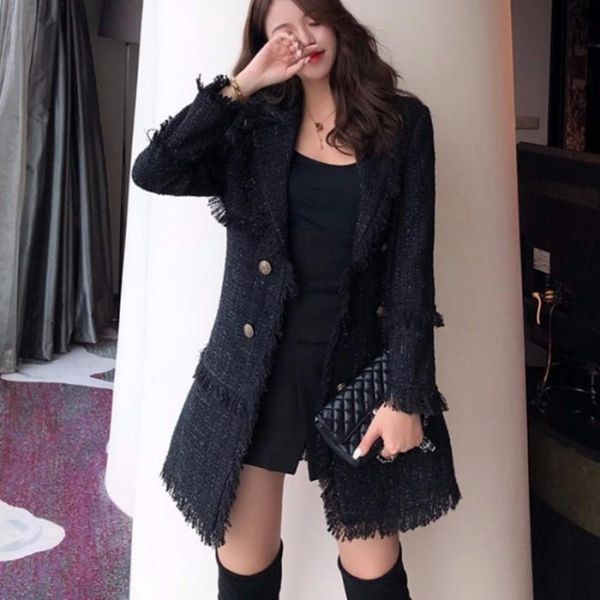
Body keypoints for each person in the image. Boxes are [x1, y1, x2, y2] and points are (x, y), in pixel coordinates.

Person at [131, 0, 462, 598]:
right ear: (263, 42)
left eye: (311, 19)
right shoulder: (250, 126)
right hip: (257, 374)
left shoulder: (403, 124)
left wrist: (406, 396)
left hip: (356, 374)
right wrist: (243, 84)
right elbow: (155, 169)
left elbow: (411, 275)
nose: (303, 38)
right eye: (282, 31)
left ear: (335, 20)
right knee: (245, 574)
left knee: (376, 579)